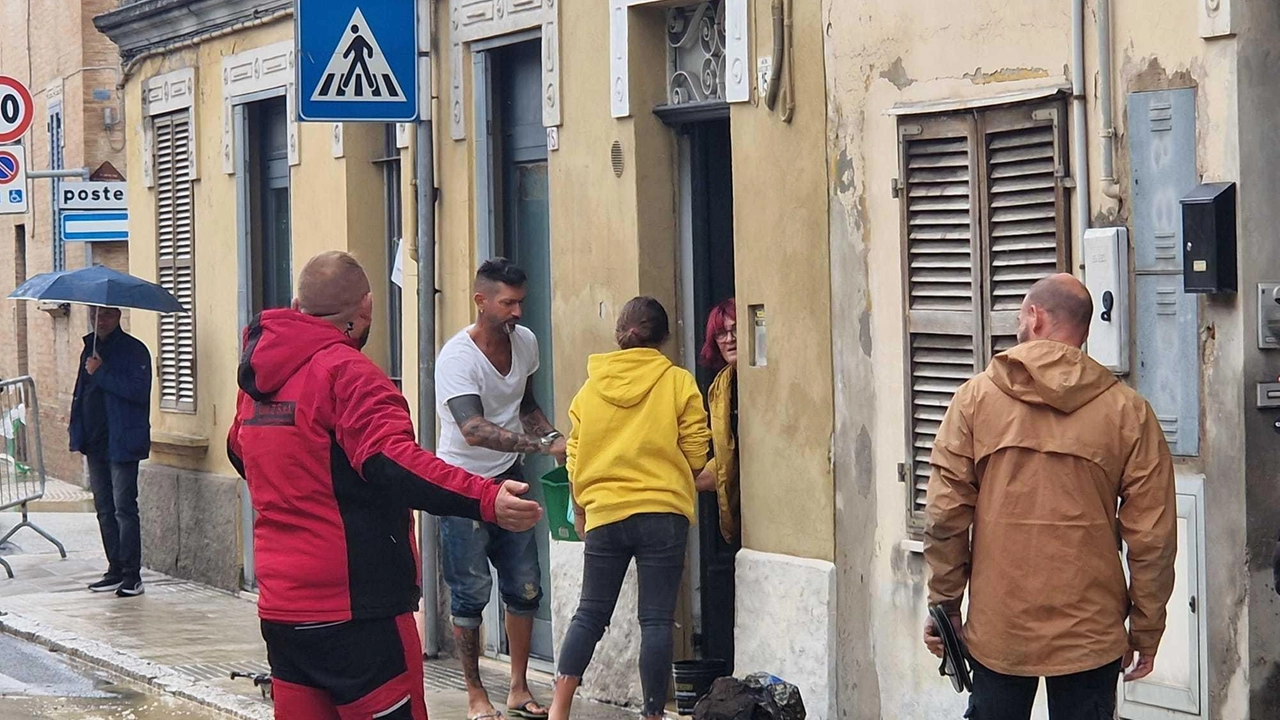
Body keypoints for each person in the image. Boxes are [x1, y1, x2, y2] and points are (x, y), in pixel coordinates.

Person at [227, 251, 543, 720]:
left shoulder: (257, 384)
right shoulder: (348, 374)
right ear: (366, 307)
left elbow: (240, 452)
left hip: (283, 610)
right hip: (357, 608)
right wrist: (485, 496)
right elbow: (396, 465)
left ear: (298, 305)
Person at [922, 273, 1178, 720]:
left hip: (1000, 628)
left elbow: (945, 517)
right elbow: (1152, 538)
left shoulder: (973, 402)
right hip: (1090, 633)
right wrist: (1146, 628)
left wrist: (946, 606)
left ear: (1035, 318)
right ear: (1084, 331)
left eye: (1022, 315)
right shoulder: (1128, 412)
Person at [550, 296, 711, 720]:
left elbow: (575, 455)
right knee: (656, 620)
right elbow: (696, 448)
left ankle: (558, 708)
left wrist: (582, 508)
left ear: (620, 335)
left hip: (605, 513)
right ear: (664, 338)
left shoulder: (590, 389)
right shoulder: (677, 381)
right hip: (663, 511)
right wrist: (686, 469)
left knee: (590, 612)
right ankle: (654, 713)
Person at [435, 258, 565, 720]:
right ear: (481, 301)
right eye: (507, 303)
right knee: (470, 591)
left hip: (511, 476)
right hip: (462, 485)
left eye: (520, 303)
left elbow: (526, 404)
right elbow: (472, 428)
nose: (517, 313)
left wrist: (554, 439)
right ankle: (475, 695)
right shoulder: (457, 358)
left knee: (526, 586)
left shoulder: (525, 342)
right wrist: (539, 446)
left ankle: (517, 688)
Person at [69, 306, 152, 598]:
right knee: (104, 509)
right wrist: (76, 432)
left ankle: (132, 575)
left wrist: (101, 372)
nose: (100, 320)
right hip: (95, 442)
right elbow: (81, 394)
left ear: (118, 316)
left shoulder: (134, 351)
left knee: (124, 509)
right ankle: (114, 568)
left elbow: (137, 392)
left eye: (106, 315)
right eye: (95, 315)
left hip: (122, 442)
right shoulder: (88, 349)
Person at [695, 298, 739, 541]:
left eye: (736, 330)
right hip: (738, 506)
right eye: (722, 333)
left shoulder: (762, 379)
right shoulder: (720, 387)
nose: (730, 339)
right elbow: (725, 457)